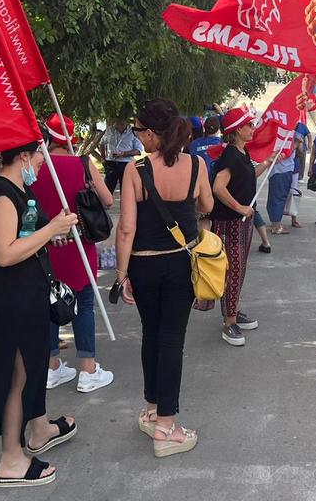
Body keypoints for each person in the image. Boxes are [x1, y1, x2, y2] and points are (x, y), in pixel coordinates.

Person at [0, 139, 79, 487]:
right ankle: (11, 458)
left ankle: (37, 430)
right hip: (13, 300)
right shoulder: (2, 195)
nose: (41, 163)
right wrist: (49, 231)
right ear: (22, 156)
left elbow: (23, 237)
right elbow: (3, 253)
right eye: (39, 155)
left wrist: (49, 233)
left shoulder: (16, 190)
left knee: (28, 371)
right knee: (15, 379)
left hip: (26, 296)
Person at [115, 98, 213, 457]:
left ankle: (154, 410)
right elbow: (207, 205)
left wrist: (121, 273)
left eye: (140, 130)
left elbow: (126, 228)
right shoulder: (196, 165)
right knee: (172, 339)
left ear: (155, 133)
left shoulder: (135, 170)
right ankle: (166, 426)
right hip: (180, 264)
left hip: (143, 264)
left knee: (151, 335)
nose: (138, 136)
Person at [31, 114, 115, 393]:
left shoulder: (34, 164)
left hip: (44, 245)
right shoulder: (81, 164)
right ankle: (88, 369)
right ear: (70, 139)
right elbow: (107, 199)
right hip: (78, 244)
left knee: (47, 303)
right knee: (84, 304)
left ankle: (52, 365)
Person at [210, 107, 274, 346]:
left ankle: (233, 311)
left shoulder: (241, 153)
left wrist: (268, 162)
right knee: (232, 271)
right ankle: (229, 322)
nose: (252, 128)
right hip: (230, 223)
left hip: (242, 222)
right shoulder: (230, 156)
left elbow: (248, 177)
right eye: (248, 125)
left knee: (239, 269)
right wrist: (239, 207)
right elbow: (218, 187)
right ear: (237, 130)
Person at [100, 118, 143, 194]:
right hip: (111, 163)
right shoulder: (110, 130)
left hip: (126, 164)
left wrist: (124, 154)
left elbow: (138, 150)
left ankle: (125, 205)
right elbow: (102, 144)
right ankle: (104, 205)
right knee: (106, 190)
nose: (120, 123)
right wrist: (103, 158)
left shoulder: (133, 132)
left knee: (125, 191)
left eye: (123, 120)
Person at [265, 141, 295, 237]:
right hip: (283, 169)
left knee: (274, 196)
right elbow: (295, 147)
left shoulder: (277, 132)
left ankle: (274, 222)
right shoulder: (291, 132)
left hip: (275, 169)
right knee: (279, 197)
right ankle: (276, 226)